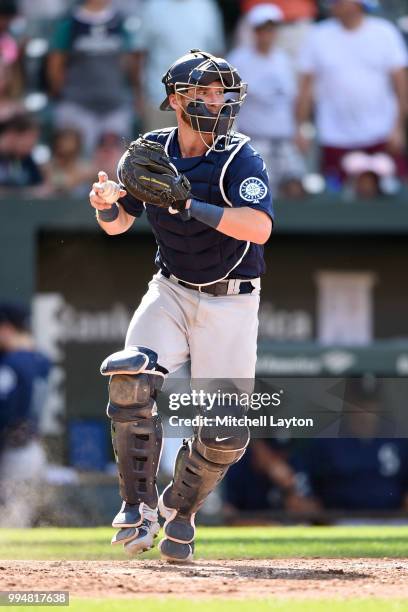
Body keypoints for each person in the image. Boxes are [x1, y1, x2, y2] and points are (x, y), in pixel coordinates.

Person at [89, 49, 273, 562]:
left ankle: (182, 511)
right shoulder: (150, 150)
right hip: (170, 288)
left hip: (231, 299)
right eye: (203, 92)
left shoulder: (240, 156)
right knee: (129, 376)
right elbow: (119, 223)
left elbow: (259, 227)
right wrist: (106, 207)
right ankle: (136, 507)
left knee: (224, 434)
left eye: (220, 92)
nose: (216, 101)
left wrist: (187, 202)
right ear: (175, 99)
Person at [296, 0, 408, 184]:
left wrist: (399, 129)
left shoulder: (385, 32)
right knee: (336, 201)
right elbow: (306, 88)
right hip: (334, 137)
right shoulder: (317, 35)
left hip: (382, 134)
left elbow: (401, 85)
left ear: (358, 4)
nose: (334, 4)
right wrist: (301, 128)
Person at [228, 3, 305, 196]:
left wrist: (300, 130)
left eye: (271, 29)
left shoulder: (285, 60)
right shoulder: (238, 60)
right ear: (254, 31)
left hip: (285, 141)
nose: (267, 34)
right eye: (262, 29)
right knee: (258, 196)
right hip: (254, 142)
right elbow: (226, 103)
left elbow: (294, 100)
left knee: (296, 191)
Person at [47, 0, 139, 155]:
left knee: (118, 164)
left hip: (115, 104)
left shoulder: (120, 22)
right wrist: (61, 93)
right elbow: (56, 64)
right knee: (81, 160)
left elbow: (130, 62)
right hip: (78, 104)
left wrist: (134, 93)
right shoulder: (70, 22)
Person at [133, 0, 226, 132]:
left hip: (199, 102)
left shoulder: (206, 7)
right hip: (159, 99)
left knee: (198, 152)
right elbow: (139, 54)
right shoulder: (152, 7)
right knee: (160, 150)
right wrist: (139, 95)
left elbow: (216, 55)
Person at [0, 302, 51, 527]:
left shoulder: (12, 363)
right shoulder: (41, 360)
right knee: (20, 518)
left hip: (15, 451)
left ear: (7, 328)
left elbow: (5, 410)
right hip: (31, 448)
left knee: (10, 524)